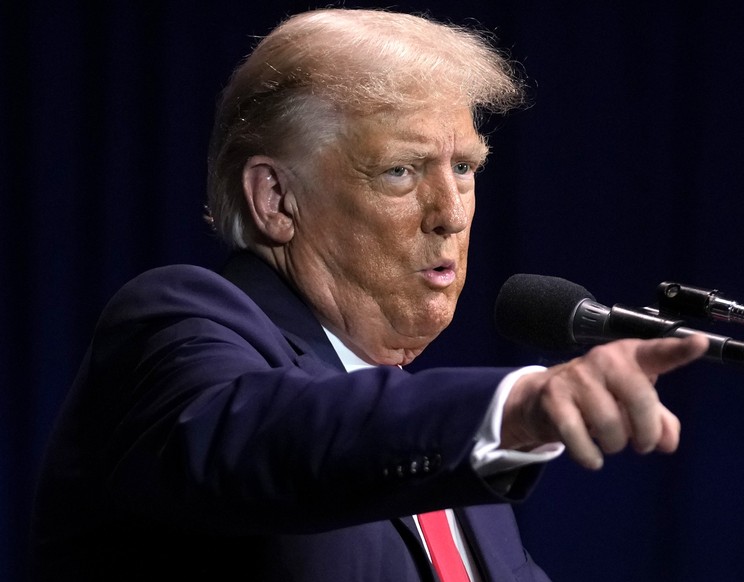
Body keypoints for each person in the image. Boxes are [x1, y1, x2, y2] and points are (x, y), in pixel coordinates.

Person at [30, 7, 708, 581]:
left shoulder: (463, 479)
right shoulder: (176, 325)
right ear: (275, 198)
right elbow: (264, 434)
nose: (450, 212)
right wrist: (516, 404)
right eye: (399, 170)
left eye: (465, 168)